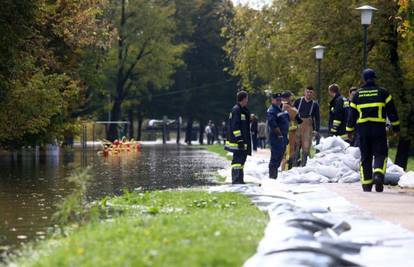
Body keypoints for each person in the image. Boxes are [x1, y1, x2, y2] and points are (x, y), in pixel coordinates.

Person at [346, 68, 400, 192]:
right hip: (379, 129)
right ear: (374, 78)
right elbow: (392, 112)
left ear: (363, 79)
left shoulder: (358, 95)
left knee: (365, 156)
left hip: (363, 130)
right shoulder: (383, 93)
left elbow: (352, 116)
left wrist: (349, 131)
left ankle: (366, 184)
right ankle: (378, 174)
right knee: (380, 153)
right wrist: (396, 128)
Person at [224, 90, 252, 184]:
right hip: (237, 141)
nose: (247, 100)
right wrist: (239, 139)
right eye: (247, 98)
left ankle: (240, 179)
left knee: (242, 160)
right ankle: (236, 179)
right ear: (243, 99)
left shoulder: (243, 110)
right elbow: (235, 126)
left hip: (243, 140)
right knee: (237, 160)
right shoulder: (236, 110)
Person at [294, 86, 320, 166]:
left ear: (313, 94)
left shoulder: (315, 104)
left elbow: (317, 118)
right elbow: (292, 113)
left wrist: (316, 130)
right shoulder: (298, 101)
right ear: (304, 92)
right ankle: (294, 165)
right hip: (297, 126)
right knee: (296, 147)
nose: (309, 94)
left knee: (306, 148)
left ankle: (303, 166)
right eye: (307, 92)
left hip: (308, 128)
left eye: (311, 92)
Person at [267, 92, 289, 179]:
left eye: (280, 100)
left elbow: (287, 120)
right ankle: (272, 177)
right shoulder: (272, 110)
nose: (279, 101)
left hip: (283, 137)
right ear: (272, 100)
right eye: (277, 100)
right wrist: (279, 135)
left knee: (279, 157)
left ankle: (274, 176)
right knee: (275, 158)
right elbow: (273, 124)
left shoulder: (281, 109)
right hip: (276, 138)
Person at [280, 91, 302, 170]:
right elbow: (298, 119)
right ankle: (286, 170)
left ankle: (287, 168)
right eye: (290, 97)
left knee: (289, 151)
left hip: (289, 131)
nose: (291, 98)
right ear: (288, 97)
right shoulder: (286, 107)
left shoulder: (283, 106)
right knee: (289, 152)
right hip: (289, 132)